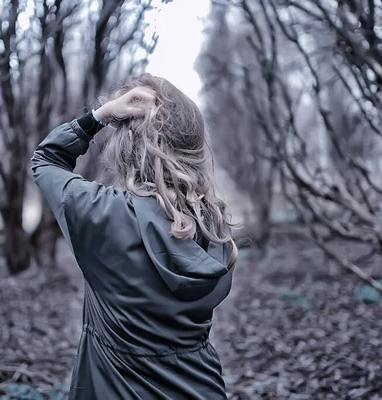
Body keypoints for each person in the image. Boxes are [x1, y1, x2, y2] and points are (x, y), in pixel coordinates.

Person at [31, 73, 238, 400]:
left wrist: (100, 116)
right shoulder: (212, 225)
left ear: (127, 146)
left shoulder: (101, 212)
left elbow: (46, 159)